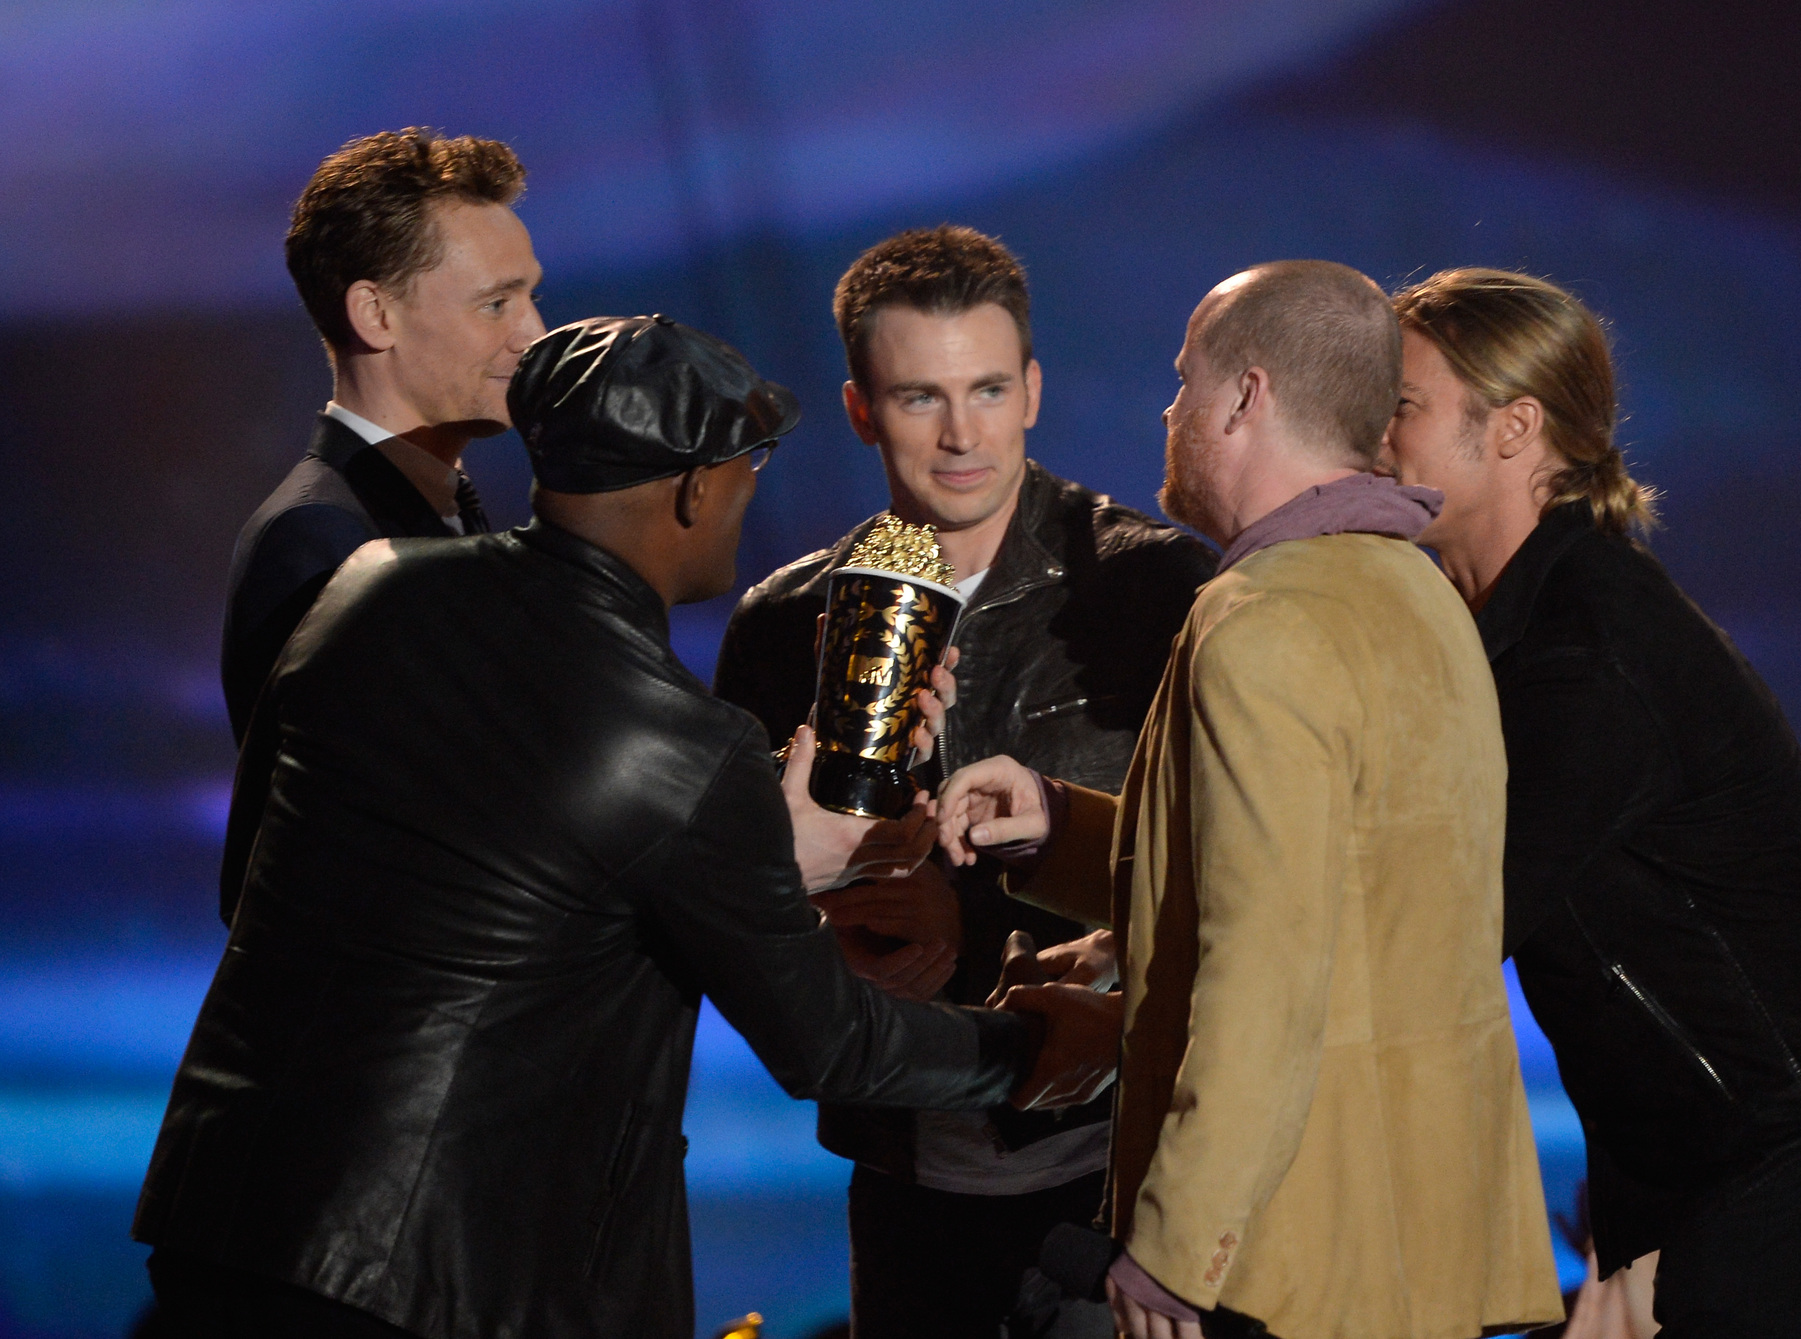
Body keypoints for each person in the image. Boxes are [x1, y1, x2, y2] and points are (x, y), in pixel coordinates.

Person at [135, 315, 1095, 1339]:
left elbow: (285, 882)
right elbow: (831, 1044)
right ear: (693, 489)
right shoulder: (679, 741)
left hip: (224, 1225)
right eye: (747, 463)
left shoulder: (363, 590)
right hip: (435, 1282)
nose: (749, 490)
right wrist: (1043, 1041)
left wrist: (763, 861)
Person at [936, 262, 1563, 1339]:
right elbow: (1333, 885)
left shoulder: (1265, 622)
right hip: (1406, 1254)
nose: (1171, 410)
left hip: (1281, 1266)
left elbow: (1265, 965)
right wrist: (1058, 825)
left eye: (1185, 383)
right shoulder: (1418, 596)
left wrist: (1179, 1247)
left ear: (1244, 398)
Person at [1379, 267, 1801, 1336]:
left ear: (1513, 428)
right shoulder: (1516, 632)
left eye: (1401, 407)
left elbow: (1435, 928)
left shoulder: (1587, 646)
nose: (1371, 437)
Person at [713, 226, 1214, 1339]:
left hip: (1119, 1168)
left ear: (1032, 389)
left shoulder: (1151, 590)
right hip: (902, 1173)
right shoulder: (785, 621)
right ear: (858, 409)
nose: (958, 434)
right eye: (917, 397)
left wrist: (1102, 1002)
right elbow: (732, 909)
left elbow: (1240, 879)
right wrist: (832, 937)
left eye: (986, 388)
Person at [220, 127, 546, 743]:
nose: (534, 333)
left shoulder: (437, 510)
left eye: (532, 296)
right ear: (376, 314)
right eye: (496, 304)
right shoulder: (319, 538)